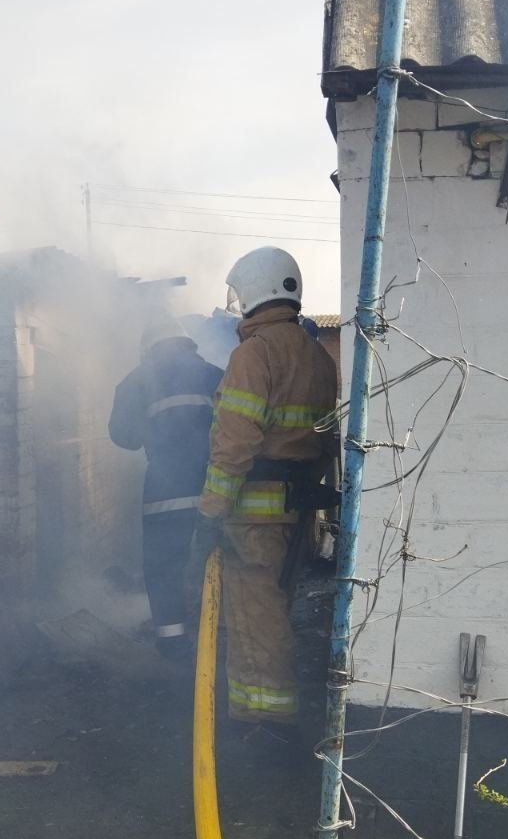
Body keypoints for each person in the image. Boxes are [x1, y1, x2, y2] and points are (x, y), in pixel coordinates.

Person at [189, 247, 338, 730]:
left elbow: (234, 444)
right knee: (275, 609)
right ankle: (268, 714)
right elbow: (324, 441)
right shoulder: (318, 356)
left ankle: (264, 721)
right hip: (297, 514)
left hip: (253, 518)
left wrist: (210, 511)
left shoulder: (255, 354)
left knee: (255, 619)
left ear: (257, 289)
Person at [108, 317, 224, 658]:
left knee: (164, 564)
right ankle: (221, 638)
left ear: (148, 349)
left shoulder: (136, 380)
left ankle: (173, 642)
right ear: (187, 343)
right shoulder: (216, 374)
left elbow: (123, 436)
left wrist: (153, 429)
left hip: (166, 489)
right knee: (221, 561)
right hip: (218, 488)